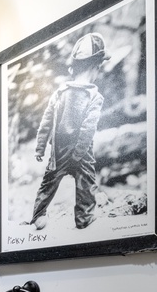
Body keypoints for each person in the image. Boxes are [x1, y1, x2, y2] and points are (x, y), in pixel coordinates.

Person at [29, 31, 109, 231]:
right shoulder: (95, 96)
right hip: (81, 152)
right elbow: (88, 128)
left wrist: (40, 147)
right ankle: (84, 218)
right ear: (96, 66)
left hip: (58, 151)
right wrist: (79, 153)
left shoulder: (59, 93)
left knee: (49, 183)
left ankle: (38, 216)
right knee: (86, 183)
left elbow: (46, 121)